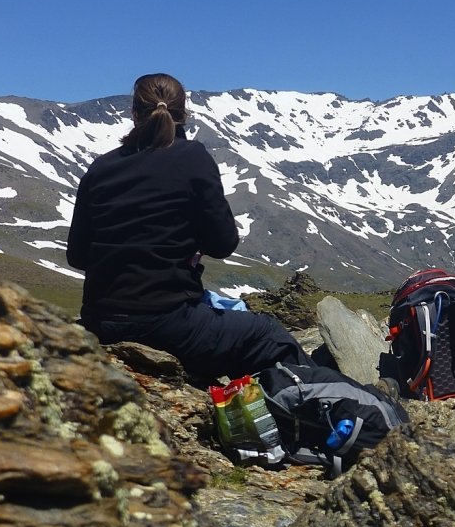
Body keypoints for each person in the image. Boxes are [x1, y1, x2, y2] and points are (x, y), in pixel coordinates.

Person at [67, 73, 313, 381]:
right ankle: (328, 411)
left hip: (99, 321)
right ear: (184, 114)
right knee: (268, 335)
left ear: (133, 114)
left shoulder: (100, 167)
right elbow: (223, 244)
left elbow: (76, 257)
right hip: (166, 322)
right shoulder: (192, 157)